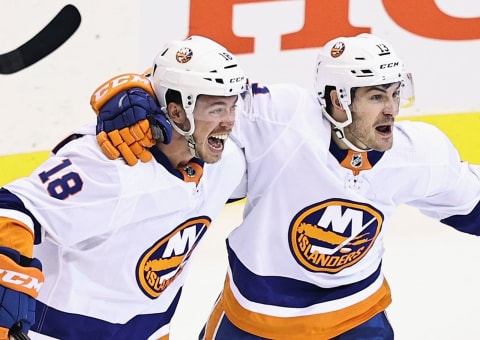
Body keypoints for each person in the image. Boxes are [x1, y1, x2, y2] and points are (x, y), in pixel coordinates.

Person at [92, 33, 480, 339]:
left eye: (395, 94)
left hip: (357, 320)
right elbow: (195, 87)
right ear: (338, 100)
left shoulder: (418, 153)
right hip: (254, 321)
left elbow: (472, 201)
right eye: (377, 96)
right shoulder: (279, 117)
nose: (392, 109)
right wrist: (136, 90)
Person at [0, 35, 248, 339]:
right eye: (216, 109)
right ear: (176, 111)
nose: (230, 122)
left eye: (232, 106)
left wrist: (136, 83)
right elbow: (12, 211)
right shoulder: (110, 166)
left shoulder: (228, 163)